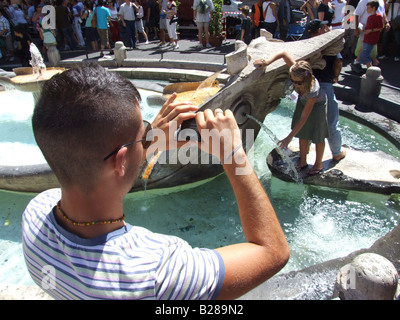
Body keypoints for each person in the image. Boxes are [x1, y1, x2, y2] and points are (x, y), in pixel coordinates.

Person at [22, 63, 289, 300]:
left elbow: (96, 176)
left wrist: (146, 142)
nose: (150, 134)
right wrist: (234, 155)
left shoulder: (35, 214)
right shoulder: (157, 271)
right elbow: (272, 252)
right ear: (121, 161)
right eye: (145, 130)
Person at [254, 52, 329, 175]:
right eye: (292, 80)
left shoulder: (312, 90)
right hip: (302, 101)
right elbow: (283, 54)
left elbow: (304, 118)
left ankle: (318, 164)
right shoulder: (297, 70)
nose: (294, 84)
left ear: (306, 79)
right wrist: (267, 62)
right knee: (303, 133)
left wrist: (288, 138)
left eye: (298, 83)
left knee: (318, 135)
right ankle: (303, 161)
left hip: (317, 106)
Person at [309, 19, 346, 162]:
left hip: (310, 86)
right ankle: (337, 152)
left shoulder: (308, 44)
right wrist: (336, 76)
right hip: (325, 85)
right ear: (320, 30)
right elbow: (338, 62)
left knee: (308, 119)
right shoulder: (329, 43)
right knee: (331, 121)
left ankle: (304, 151)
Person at [352, 0, 389, 71]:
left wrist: (386, 22)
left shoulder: (381, 1)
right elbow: (356, 14)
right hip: (365, 28)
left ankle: (368, 62)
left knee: (367, 46)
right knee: (365, 46)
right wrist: (356, 29)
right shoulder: (363, 1)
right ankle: (364, 64)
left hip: (375, 30)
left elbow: (383, 12)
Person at [357, 0, 384, 67]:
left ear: (373, 8)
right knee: (365, 53)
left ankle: (371, 68)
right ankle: (370, 67)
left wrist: (370, 31)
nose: (367, 9)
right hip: (366, 37)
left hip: (371, 38)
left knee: (364, 55)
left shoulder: (378, 17)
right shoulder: (369, 17)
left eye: (368, 7)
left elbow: (380, 27)